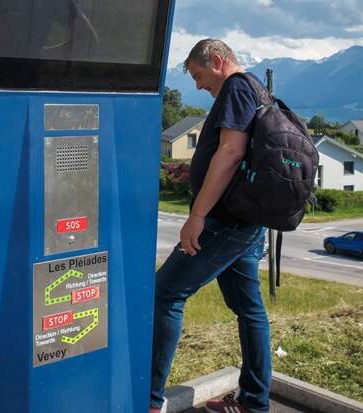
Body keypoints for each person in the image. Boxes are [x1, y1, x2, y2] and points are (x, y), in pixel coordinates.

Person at [149, 39, 271, 413]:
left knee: (166, 293)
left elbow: (232, 151)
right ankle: (254, 402)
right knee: (250, 310)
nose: (198, 86)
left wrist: (197, 215)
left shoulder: (235, 87)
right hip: (248, 220)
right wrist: (194, 171)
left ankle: (150, 400)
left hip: (224, 222)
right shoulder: (256, 87)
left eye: (200, 76)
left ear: (218, 61)